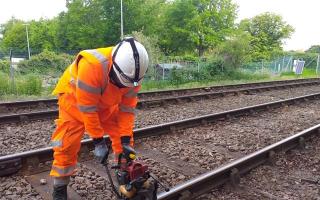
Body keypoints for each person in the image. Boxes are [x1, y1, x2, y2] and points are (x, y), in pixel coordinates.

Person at [49, 37, 149, 200]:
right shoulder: (91, 67)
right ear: (114, 67)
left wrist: (124, 141)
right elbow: (88, 109)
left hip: (106, 103)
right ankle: (59, 186)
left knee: (124, 142)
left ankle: (124, 174)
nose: (125, 87)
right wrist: (98, 142)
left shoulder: (134, 75)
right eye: (122, 83)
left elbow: (126, 111)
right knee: (65, 144)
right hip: (73, 101)